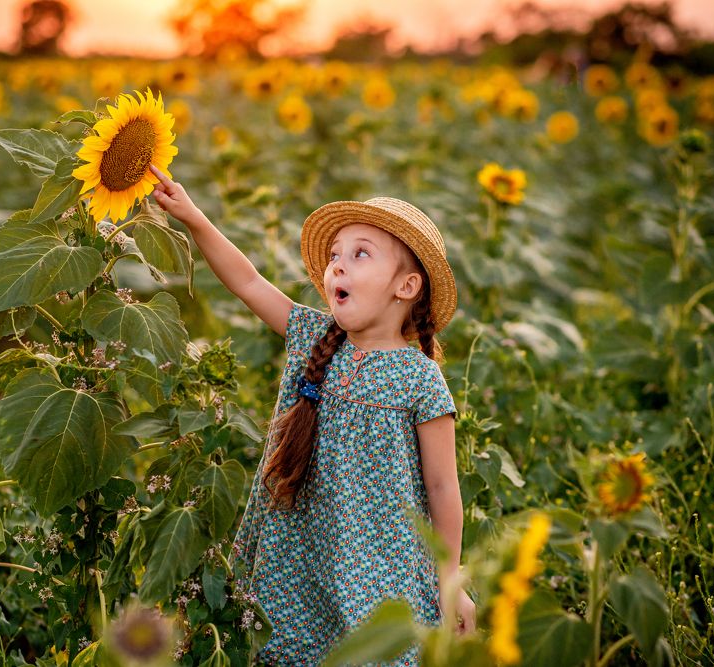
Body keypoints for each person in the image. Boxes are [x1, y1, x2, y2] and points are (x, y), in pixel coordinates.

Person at [148, 164, 476, 666]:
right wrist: (193, 217)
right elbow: (248, 281)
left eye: (360, 254)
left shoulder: (420, 378)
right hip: (298, 552)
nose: (337, 266)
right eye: (334, 256)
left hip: (379, 565)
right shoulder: (314, 339)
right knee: (284, 647)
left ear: (406, 286)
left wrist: (449, 578)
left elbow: (443, 487)